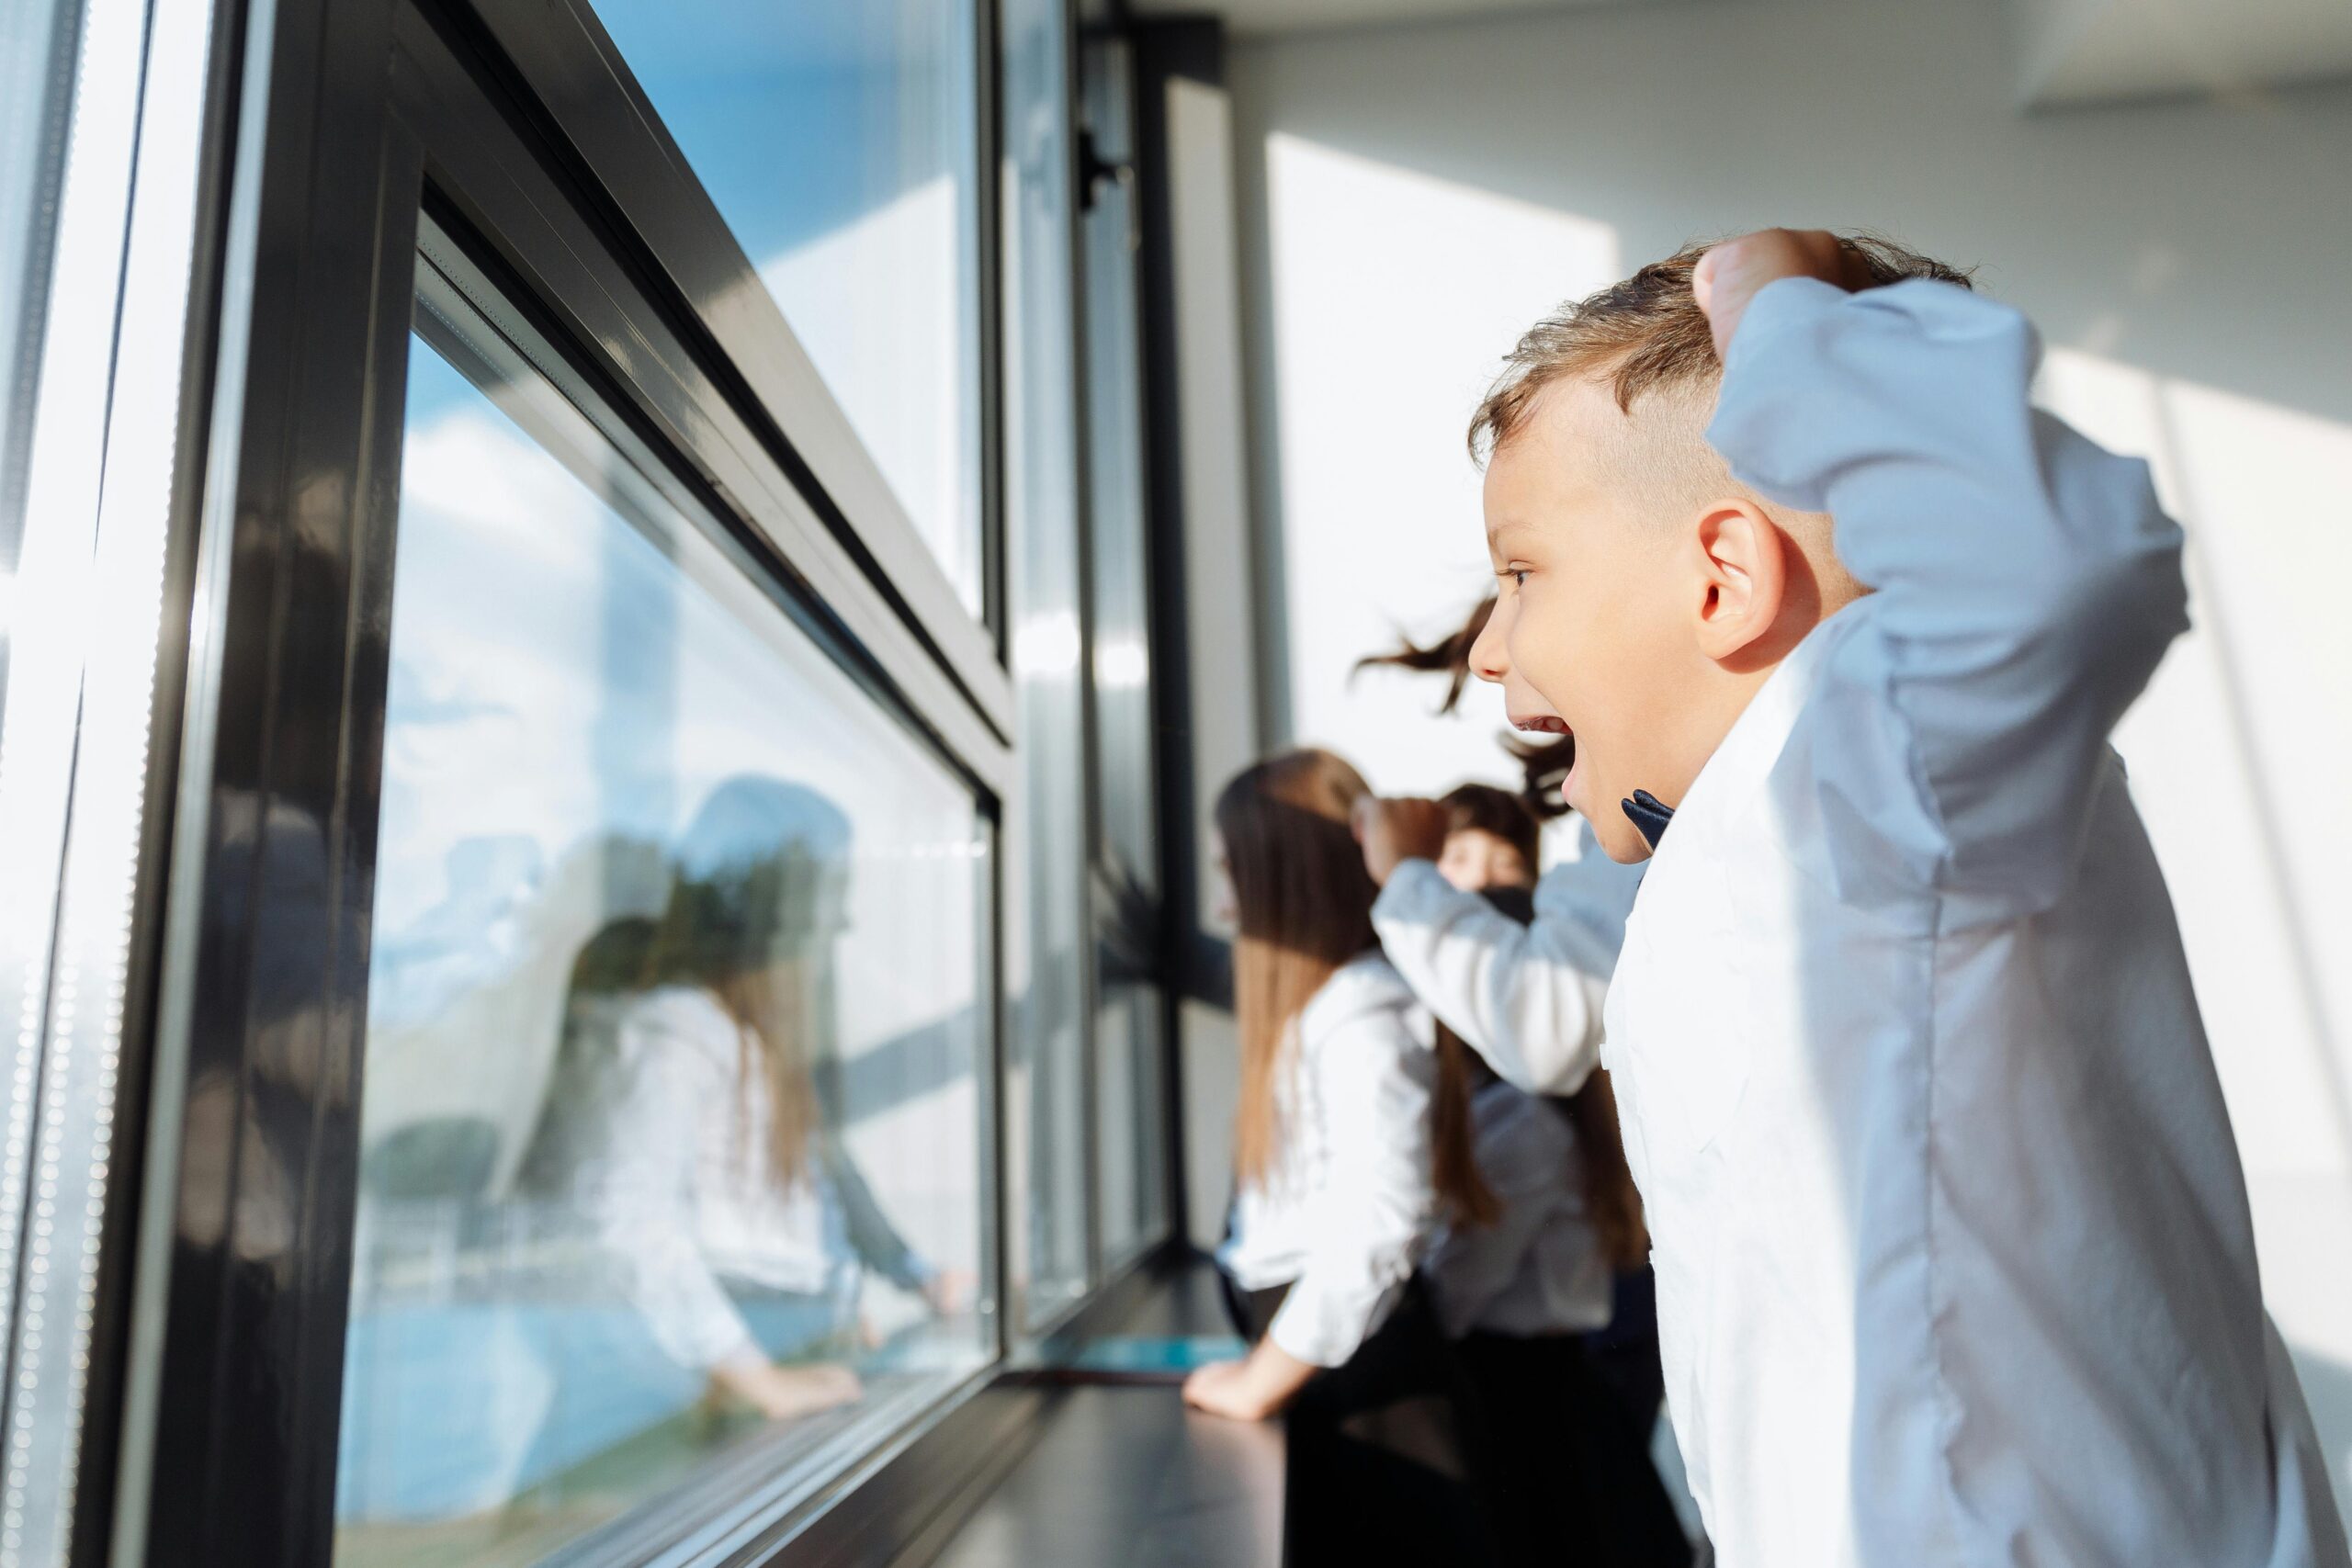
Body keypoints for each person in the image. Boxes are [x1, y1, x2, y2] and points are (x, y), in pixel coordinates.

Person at [1410, 228, 2346, 1565]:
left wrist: (1778, 297)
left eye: (1519, 573)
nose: (1493, 649)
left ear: (1722, 577)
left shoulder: (1867, 762)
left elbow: (2060, 562)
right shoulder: (1747, 836)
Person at [518, 777, 964, 1470]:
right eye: (826, 900)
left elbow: (827, 1177)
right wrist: (757, 1374)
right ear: (764, 912)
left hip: (776, 1350)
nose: (839, 926)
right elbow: (628, 1215)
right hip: (712, 1378)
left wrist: (913, 1276)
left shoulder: (749, 1036)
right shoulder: (681, 1031)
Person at [1180, 749, 1504, 1568]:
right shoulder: (1330, 1006)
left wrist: (1262, 1378)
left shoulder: (1362, 1007)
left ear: (1286, 879)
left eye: (1234, 874)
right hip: (1333, 1369)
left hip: (1369, 1394)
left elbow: (1382, 1221)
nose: (1224, 905)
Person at [1419, 834, 1690, 1567]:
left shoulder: (1523, 1123)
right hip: (1553, 1396)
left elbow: (1460, 1288)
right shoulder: (1543, 1113)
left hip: (1524, 1402)